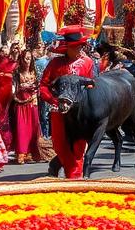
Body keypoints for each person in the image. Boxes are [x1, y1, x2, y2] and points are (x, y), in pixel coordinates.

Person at [39, 26, 98, 178]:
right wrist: (53, 100)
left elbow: (93, 84)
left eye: (81, 46)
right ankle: (63, 167)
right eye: (76, 46)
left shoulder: (88, 63)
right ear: (67, 47)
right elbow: (44, 85)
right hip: (58, 110)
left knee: (79, 146)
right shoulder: (55, 64)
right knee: (60, 144)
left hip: (79, 113)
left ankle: (74, 176)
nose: (79, 49)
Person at [11, 50, 41, 163]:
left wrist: (33, 89)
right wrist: (16, 94)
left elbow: (39, 85)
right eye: (24, 58)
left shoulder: (35, 71)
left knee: (34, 127)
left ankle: (33, 152)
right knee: (21, 128)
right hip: (20, 102)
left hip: (32, 102)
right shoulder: (17, 72)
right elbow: (13, 87)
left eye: (29, 58)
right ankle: (21, 153)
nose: (26, 61)